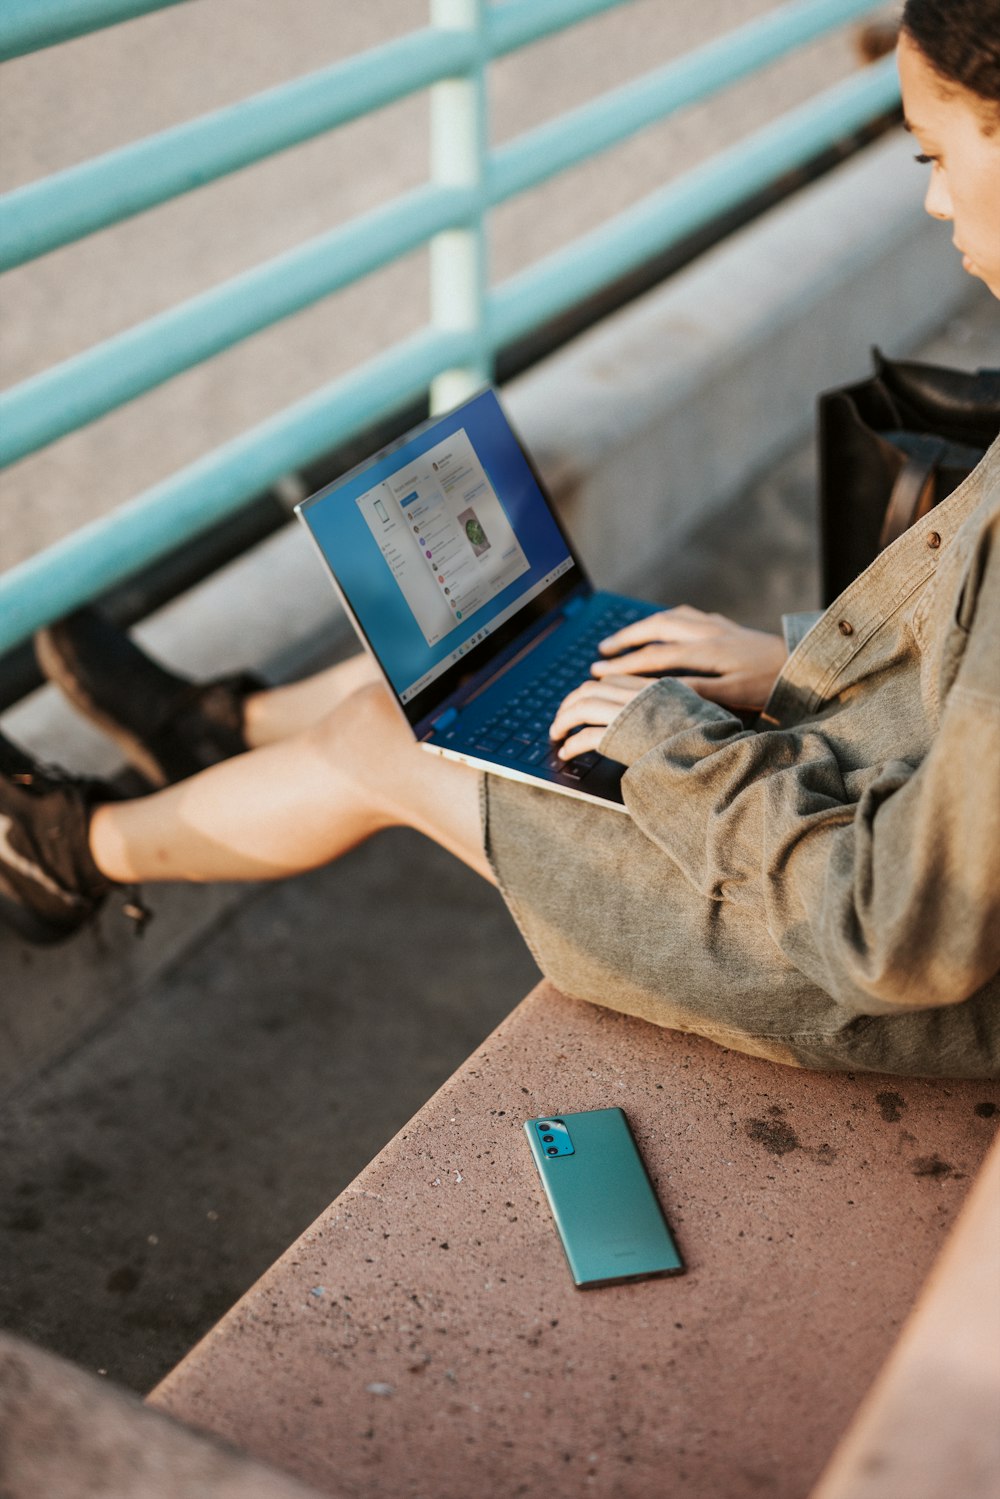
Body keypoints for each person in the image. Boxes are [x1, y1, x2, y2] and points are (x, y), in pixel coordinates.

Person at [2, 0, 998, 1076]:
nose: (933, 199)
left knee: (381, 738)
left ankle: (69, 853)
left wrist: (673, 740)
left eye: (935, 153)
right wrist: (791, 666)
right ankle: (213, 724)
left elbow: (901, 935)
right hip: (851, 817)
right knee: (493, 668)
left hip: (835, 960)